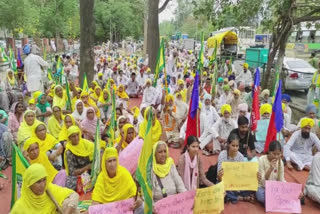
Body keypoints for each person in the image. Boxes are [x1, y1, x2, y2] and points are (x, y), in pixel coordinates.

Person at [10, 163, 79, 214]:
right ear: (29, 184)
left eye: (44, 180)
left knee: (68, 204)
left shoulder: (48, 188)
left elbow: (74, 195)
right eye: (38, 182)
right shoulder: (20, 208)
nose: (43, 185)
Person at [91, 147, 143, 213]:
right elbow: (96, 200)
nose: (112, 164)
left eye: (114, 160)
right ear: (105, 163)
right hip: (109, 210)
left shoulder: (124, 173)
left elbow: (134, 194)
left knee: (142, 206)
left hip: (124, 209)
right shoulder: (101, 177)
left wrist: (138, 200)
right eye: (109, 161)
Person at [217, 133, 253, 203]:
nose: (235, 148)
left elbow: (242, 175)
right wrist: (220, 175)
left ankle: (233, 197)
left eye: (237, 146)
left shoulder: (240, 157)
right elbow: (219, 177)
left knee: (252, 186)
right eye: (233, 145)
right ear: (228, 145)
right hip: (225, 183)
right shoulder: (222, 155)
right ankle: (240, 198)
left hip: (236, 184)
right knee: (220, 189)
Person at [64, 125, 94, 190]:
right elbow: (72, 172)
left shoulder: (85, 143)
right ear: (69, 138)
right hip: (78, 175)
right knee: (71, 184)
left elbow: (96, 150)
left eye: (77, 135)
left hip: (89, 171)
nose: (76, 138)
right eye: (73, 136)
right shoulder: (69, 151)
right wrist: (86, 168)